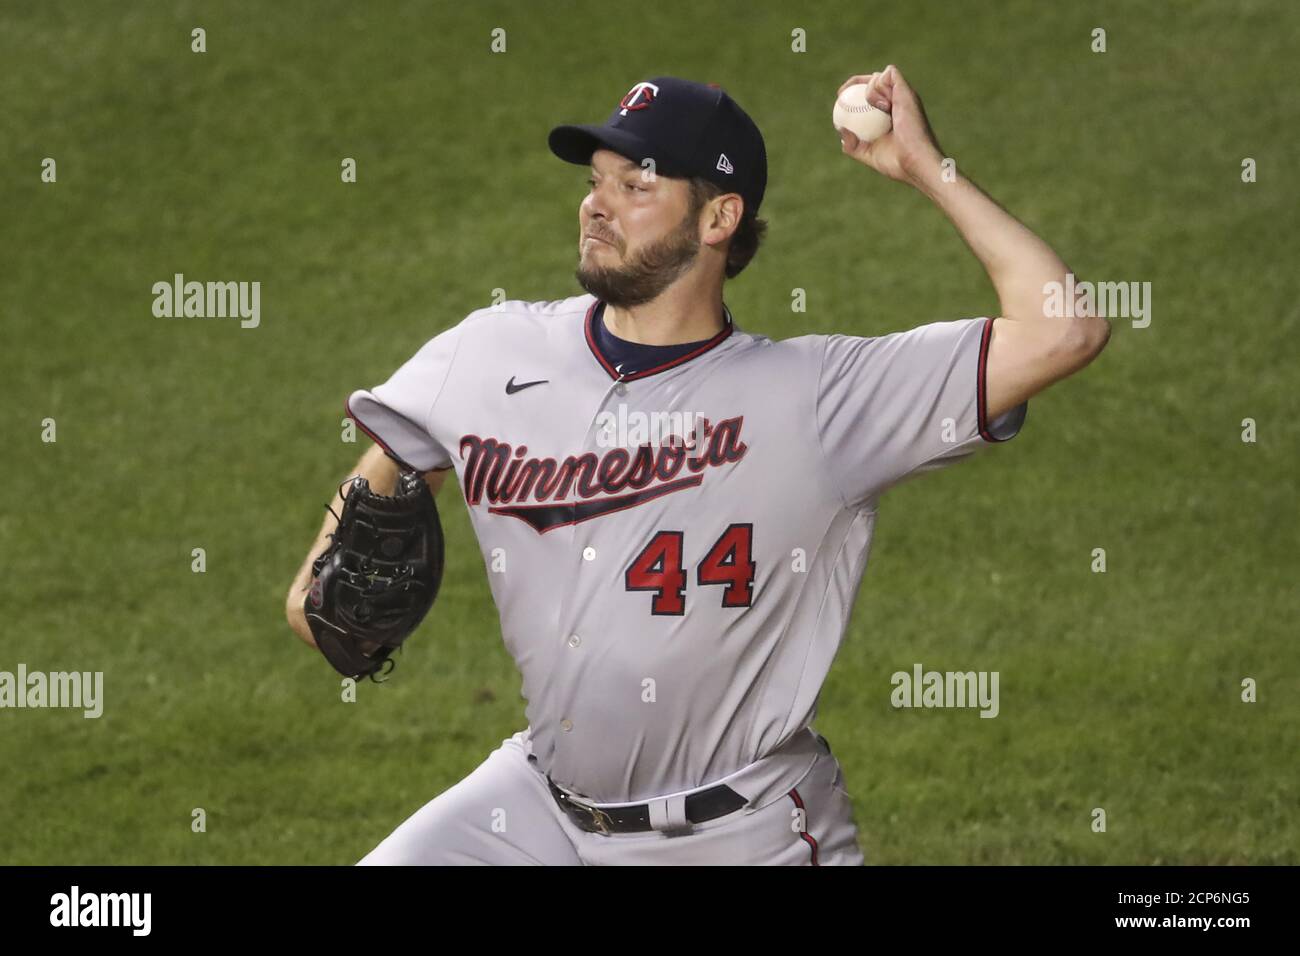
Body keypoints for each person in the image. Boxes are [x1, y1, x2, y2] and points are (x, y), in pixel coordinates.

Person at [284, 69, 1109, 865]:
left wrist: (929, 170)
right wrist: (340, 562)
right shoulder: (491, 351)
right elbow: (391, 461)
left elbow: (1061, 331)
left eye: (636, 187)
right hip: (533, 809)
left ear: (719, 219)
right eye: (597, 180)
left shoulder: (820, 400)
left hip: (736, 835)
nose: (596, 204)